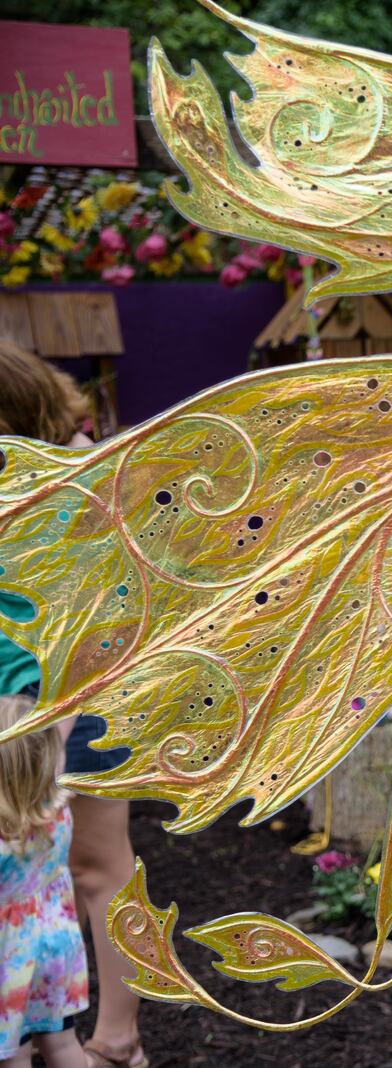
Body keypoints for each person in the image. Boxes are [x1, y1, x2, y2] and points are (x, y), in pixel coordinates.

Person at [0, 344, 144, 1068]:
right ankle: (48, 1033)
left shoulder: (73, 477)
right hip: (28, 698)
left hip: (75, 688)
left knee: (95, 863)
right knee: (40, 873)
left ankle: (117, 1039)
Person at [0, 693, 89, 1068]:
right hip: (57, 947)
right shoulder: (56, 811)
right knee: (61, 1042)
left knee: (15, 1053)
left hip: (9, 961)